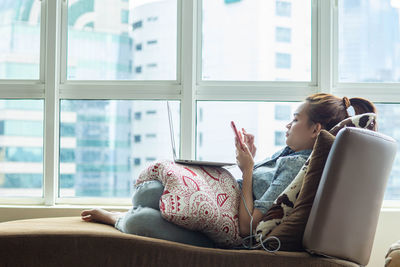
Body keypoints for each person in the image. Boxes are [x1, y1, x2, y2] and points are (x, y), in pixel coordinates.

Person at [81, 93, 376, 247]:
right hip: (221, 207)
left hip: (231, 234)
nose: (288, 124)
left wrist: (247, 170)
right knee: (151, 192)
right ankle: (127, 216)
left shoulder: (296, 166)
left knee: (140, 220)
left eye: (295, 119)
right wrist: (253, 160)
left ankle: (118, 220)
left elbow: (249, 228)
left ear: (316, 129)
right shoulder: (288, 155)